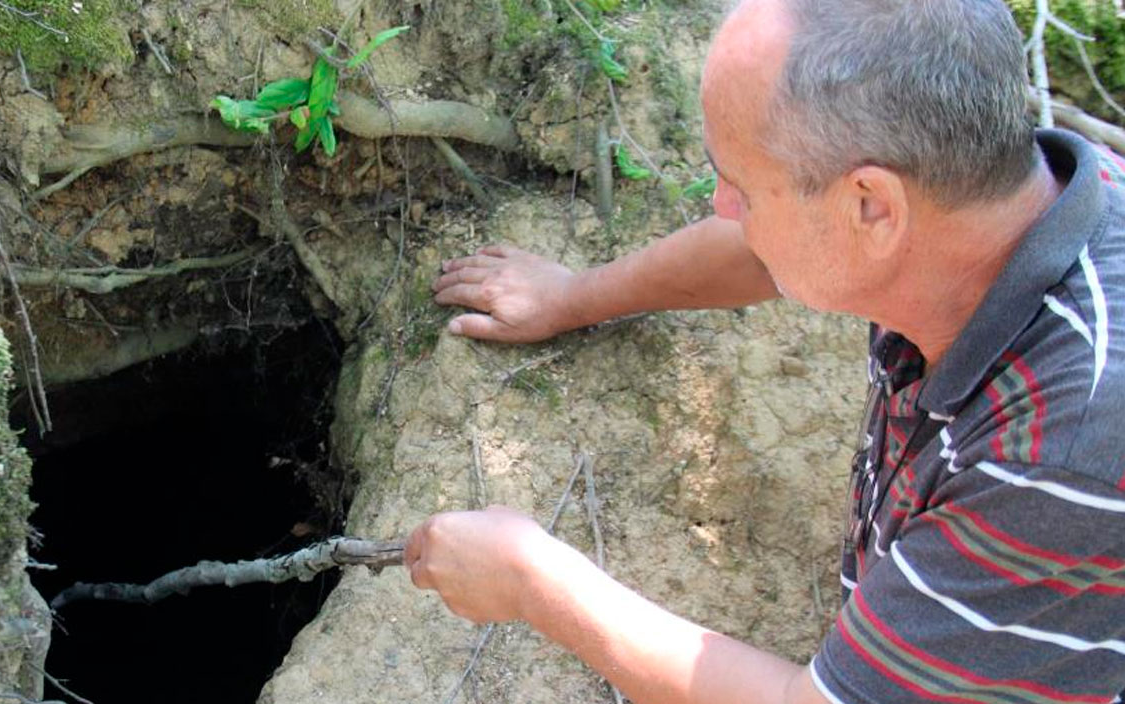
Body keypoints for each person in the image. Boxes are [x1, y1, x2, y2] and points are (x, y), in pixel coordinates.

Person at [401, 0, 1125, 702]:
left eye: (741, 186)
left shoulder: (1057, 456)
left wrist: (534, 582)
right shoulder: (1000, 204)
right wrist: (574, 296)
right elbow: (763, 249)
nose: (721, 205)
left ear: (871, 206)